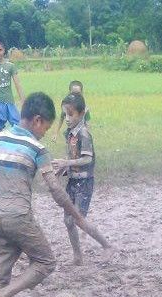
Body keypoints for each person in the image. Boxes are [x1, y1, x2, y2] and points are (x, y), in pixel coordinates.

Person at [0, 92, 115, 297]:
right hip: (20, 218)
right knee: (46, 262)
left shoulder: (1, 137)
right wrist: (73, 213)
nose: (45, 133)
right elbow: (56, 190)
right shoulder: (37, 147)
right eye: (45, 127)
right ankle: (7, 294)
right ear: (37, 120)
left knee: (0, 275)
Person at [52, 92, 97, 265]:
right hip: (73, 181)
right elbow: (73, 159)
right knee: (68, 220)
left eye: (71, 114)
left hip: (84, 182)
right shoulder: (70, 134)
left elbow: (87, 159)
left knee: (78, 220)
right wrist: (63, 169)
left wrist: (66, 162)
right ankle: (78, 255)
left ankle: (105, 244)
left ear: (81, 113)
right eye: (65, 114)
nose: (68, 118)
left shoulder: (84, 134)